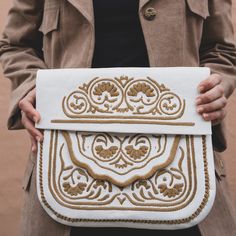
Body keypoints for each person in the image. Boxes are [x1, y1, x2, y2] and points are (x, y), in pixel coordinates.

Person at [0, 0, 236, 235]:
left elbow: (222, 50)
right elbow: (15, 44)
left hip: (186, 176)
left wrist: (218, 85)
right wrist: (31, 86)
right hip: (65, 177)